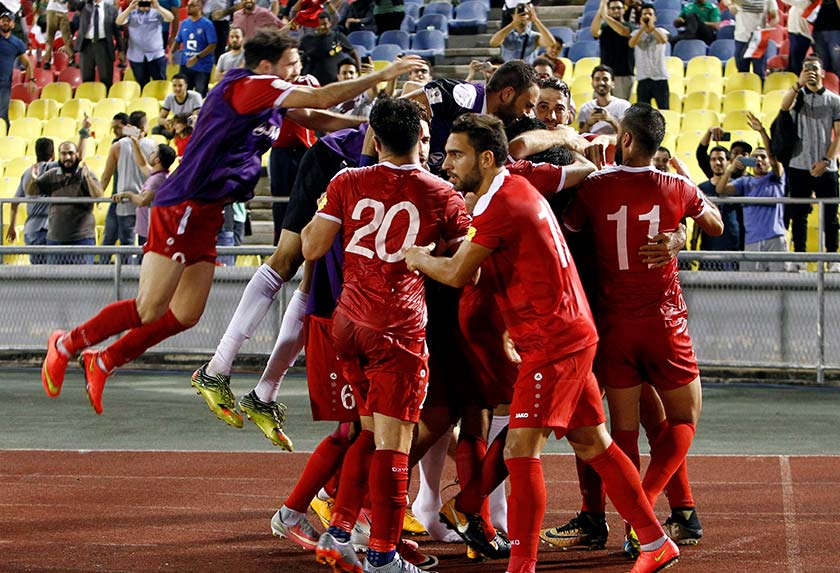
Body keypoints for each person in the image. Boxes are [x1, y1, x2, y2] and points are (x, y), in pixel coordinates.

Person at [38, 29, 424, 416]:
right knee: (150, 308)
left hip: (208, 210)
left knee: (186, 315)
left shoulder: (273, 97)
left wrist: (377, 120)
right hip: (184, 203)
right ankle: (68, 344)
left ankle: (103, 361)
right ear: (266, 64)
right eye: (292, 62)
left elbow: (321, 118)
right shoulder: (250, 85)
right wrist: (383, 73)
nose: (299, 68)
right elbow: (323, 97)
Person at [404, 113, 682, 573]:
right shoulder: (512, 188)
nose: (446, 162)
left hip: (553, 343)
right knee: (595, 445)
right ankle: (655, 542)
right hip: (567, 335)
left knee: (520, 453)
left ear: (486, 158)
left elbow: (458, 275)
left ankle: (522, 566)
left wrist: (418, 257)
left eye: (456, 154)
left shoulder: (500, 204)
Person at [562, 103, 723, 562]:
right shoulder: (677, 185)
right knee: (685, 420)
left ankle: (640, 523)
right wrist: (681, 233)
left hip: (613, 322)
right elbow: (715, 223)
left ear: (626, 140)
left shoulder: (593, 186)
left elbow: (570, 227)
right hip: (664, 321)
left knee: (624, 433)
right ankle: (649, 507)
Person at [405, 60, 541, 174]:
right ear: (507, 94)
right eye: (528, 105)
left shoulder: (504, 127)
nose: (528, 113)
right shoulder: (462, 97)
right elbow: (396, 114)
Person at [781, 54, 840, 271]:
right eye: (806, 69)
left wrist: (826, 160)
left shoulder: (834, 101)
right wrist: (799, 83)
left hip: (826, 166)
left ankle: (833, 259)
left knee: (831, 215)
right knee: (799, 215)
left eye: (814, 68)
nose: (811, 72)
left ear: (823, 72)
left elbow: (839, 135)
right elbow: (783, 107)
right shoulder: (797, 97)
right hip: (799, 164)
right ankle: (800, 259)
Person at [716, 112, 788, 271]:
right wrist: (729, 170)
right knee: (752, 288)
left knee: (780, 286)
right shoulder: (744, 182)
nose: (759, 160)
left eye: (763, 157)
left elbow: (773, 155)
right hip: (752, 241)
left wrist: (762, 131)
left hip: (775, 239)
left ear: (769, 161)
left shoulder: (777, 177)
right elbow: (720, 190)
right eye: (755, 157)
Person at [26, 141, 104, 265]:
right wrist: (33, 179)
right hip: (55, 240)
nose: (67, 157)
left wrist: (87, 178)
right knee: (55, 282)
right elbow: (31, 192)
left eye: (71, 153)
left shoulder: (85, 173)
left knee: (83, 281)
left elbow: (99, 196)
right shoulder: (52, 174)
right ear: (58, 155)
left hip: (82, 240)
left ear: (77, 155)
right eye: (63, 154)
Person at [100, 110, 158, 262]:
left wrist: (99, 195)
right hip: (146, 201)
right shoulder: (153, 146)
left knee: (127, 243)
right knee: (145, 245)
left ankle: (125, 277)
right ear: (144, 126)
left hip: (124, 202)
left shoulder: (117, 147)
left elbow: (107, 175)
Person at [113, 142, 177, 247]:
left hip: (150, 229)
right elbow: (142, 164)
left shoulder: (156, 180)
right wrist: (135, 143)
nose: (150, 154)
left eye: (153, 153)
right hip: (148, 228)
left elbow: (143, 200)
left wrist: (129, 195)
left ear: (157, 160)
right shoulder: (160, 174)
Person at [690, 145, 742, 269]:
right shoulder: (702, 188)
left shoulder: (738, 186)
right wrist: (694, 240)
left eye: (721, 159)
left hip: (732, 247)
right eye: (713, 159)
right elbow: (698, 218)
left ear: (728, 162)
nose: (717, 163)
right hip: (709, 246)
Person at [7, 138, 54, 264]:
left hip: (32, 231)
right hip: (50, 230)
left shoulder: (27, 172)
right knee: (53, 274)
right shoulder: (54, 170)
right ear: (53, 154)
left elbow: (14, 202)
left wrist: (12, 226)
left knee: (37, 274)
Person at [116, 0, 174, 88]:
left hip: (156, 56)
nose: (144, 4)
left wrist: (158, 7)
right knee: (142, 85)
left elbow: (170, 18)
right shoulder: (131, 13)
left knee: (160, 83)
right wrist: (129, 8)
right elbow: (119, 21)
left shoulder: (157, 12)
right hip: (136, 56)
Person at [69, 0, 124, 88]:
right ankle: (88, 100)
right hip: (86, 46)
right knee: (87, 79)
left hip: (104, 45)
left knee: (106, 78)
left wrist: (121, 50)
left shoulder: (111, 9)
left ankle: (106, 100)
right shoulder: (84, 5)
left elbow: (117, 31)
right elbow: (73, 3)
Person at [169, 0, 216, 97]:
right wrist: (171, 53)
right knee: (183, 94)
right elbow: (178, 40)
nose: (188, 7)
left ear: (200, 7)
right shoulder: (184, 23)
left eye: (192, 5)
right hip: (185, 65)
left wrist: (197, 57)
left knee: (199, 95)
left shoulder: (207, 24)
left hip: (202, 66)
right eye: (188, 5)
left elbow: (212, 45)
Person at [300, 11, 358, 86]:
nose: (322, 27)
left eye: (324, 24)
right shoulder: (306, 40)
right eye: (318, 24)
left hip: (335, 83)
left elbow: (353, 53)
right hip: (314, 85)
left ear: (330, 23)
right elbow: (300, 58)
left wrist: (358, 72)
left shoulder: (337, 37)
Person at [590, 0, 633, 100]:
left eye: (619, 8)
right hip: (604, 74)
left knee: (621, 110)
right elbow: (594, 32)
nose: (616, 10)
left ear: (624, 10)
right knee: (599, 107)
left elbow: (623, 31)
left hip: (623, 75)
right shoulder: (604, 27)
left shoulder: (630, 26)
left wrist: (605, 16)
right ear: (608, 10)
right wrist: (601, 10)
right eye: (613, 8)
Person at [630, 4, 670, 110]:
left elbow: (663, 40)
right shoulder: (636, 33)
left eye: (650, 14)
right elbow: (631, 43)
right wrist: (642, 28)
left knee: (664, 109)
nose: (647, 16)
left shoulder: (661, 31)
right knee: (643, 113)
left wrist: (652, 28)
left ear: (655, 17)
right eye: (644, 14)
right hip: (643, 78)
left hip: (660, 77)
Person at [488, 2, 554, 66]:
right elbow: (493, 43)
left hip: (528, 74)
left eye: (525, 14)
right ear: (512, 15)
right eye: (520, 13)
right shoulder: (505, 34)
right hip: (508, 73)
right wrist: (513, 23)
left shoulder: (535, 36)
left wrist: (536, 20)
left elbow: (550, 42)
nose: (523, 17)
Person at [0, 8, 35, 125]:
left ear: (13, 24)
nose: (5, 22)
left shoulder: (17, 43)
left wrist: (31, 80)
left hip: (4, 84)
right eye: (3, 20)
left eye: (8, 21)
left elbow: (27, 63)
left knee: (2, 113)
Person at [729, 0, 778, 79]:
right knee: (742, 72)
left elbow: (775, 17)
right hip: (741, 38)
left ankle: (760, 89)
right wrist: (729, 5)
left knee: (759, 72)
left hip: (758, 39)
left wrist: (769, 26)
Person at [577, 65, 631, 135]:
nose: (601, 83)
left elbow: (627, 135)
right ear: (592, 83)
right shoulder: (585, 108)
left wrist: (611, 120)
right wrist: (588, 124)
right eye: (597, 79)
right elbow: (581, 136)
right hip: (593, 142)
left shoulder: (623, 105)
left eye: (605, 79)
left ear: (613, 83)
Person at [154, 73, 203, 139]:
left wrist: (180, 125)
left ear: (186, 86)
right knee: (156, 129)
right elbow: (160, 119)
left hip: (190, 126)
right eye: (174, 86)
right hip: (177, 126)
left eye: (180, 86)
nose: (177, 88)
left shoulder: (195, 96)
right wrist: (167, 123)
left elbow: (195, 119)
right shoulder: (169, 97)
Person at [779, 0, 814, 76]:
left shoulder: (806, 2)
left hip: (801, 36)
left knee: (796, 64)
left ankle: (798, 82)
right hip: (794, 34)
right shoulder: (797, 5)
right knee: (792, 63)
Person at [812, 0, 840, 76]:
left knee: (837, 60)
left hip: (836, 31)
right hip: (817, 32)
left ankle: (837, 84)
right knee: (822, 62)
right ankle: (825, 84)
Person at [42, 0, 72, 70]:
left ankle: (71, 59)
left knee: (67, 37)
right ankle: (47, 61)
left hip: (64, 10)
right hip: (52, 9)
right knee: (50, 37)